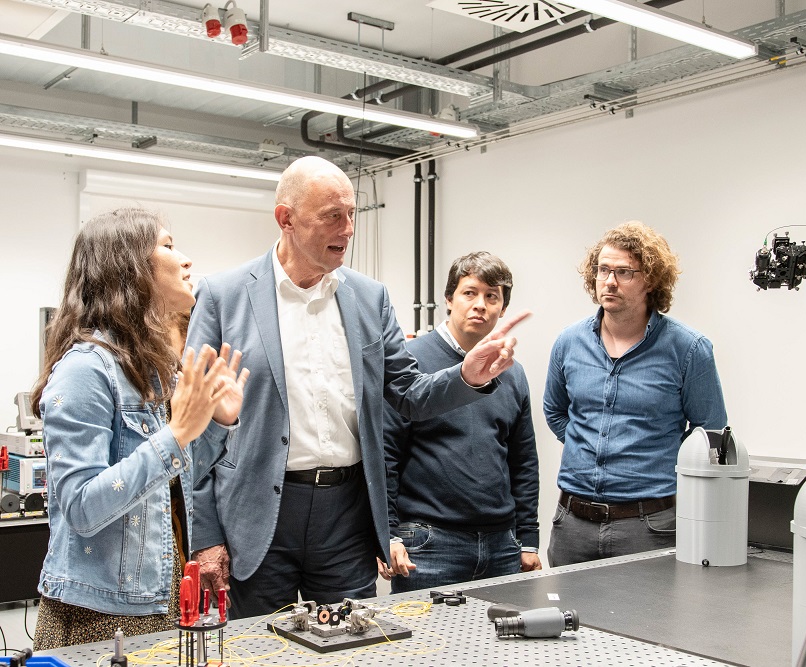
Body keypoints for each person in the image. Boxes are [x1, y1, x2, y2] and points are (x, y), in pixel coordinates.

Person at [186, 156, 525, 618]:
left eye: (352, 215)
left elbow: (409, 393)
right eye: (332, 216)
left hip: (346, 516)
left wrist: (467, 376)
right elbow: (195, 430)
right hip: (259, 515)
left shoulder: (369, 297)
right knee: (262, 651)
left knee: (355, 649)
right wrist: (206, 536)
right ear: (286, 219)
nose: (347, 230)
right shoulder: (224, 296)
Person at [31, 208, 249, 650]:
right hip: (100, 613)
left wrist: (218, 424)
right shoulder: (85, 371)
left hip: (159, 598)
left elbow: (176, 478)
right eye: (168, 246)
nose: (187, 260)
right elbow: (81, 508)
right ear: (128, 268)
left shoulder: (151, 371)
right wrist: (177, 434)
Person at [543, 221, 727, 567]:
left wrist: (653, 458)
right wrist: (590, 444)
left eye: (624, 272)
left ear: (651, 280)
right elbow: (555, 410)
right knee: (565, 619)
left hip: (649, 525)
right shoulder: (569, 342)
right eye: (603, 270)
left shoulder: (688, 349)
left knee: (646, 622)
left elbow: (709, 432)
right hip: (572, 523)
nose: (609, 282)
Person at [385, 252, 541, 591]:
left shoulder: (511, 373)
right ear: (449, 299)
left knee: (504, 644)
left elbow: (523, 460)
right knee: (429, 644)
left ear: (502, 308)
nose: (480, 305)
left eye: (492, 296)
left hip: (502, 545)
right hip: (430, 545)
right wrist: (389, 533)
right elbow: (387, 454)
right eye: (469, 293)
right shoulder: (410, 363)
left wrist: (528, 538)